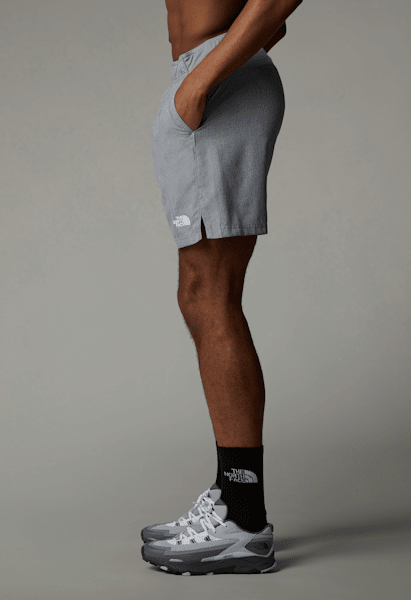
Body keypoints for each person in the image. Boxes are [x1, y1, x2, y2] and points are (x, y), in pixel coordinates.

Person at [144, 0, 303, 575]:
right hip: (209, 75)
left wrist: (203, 79)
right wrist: (201, 73)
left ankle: (243, 520)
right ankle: (232, 497)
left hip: (214, 82)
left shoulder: (210, 79)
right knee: (200, 293)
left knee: (210, 293)